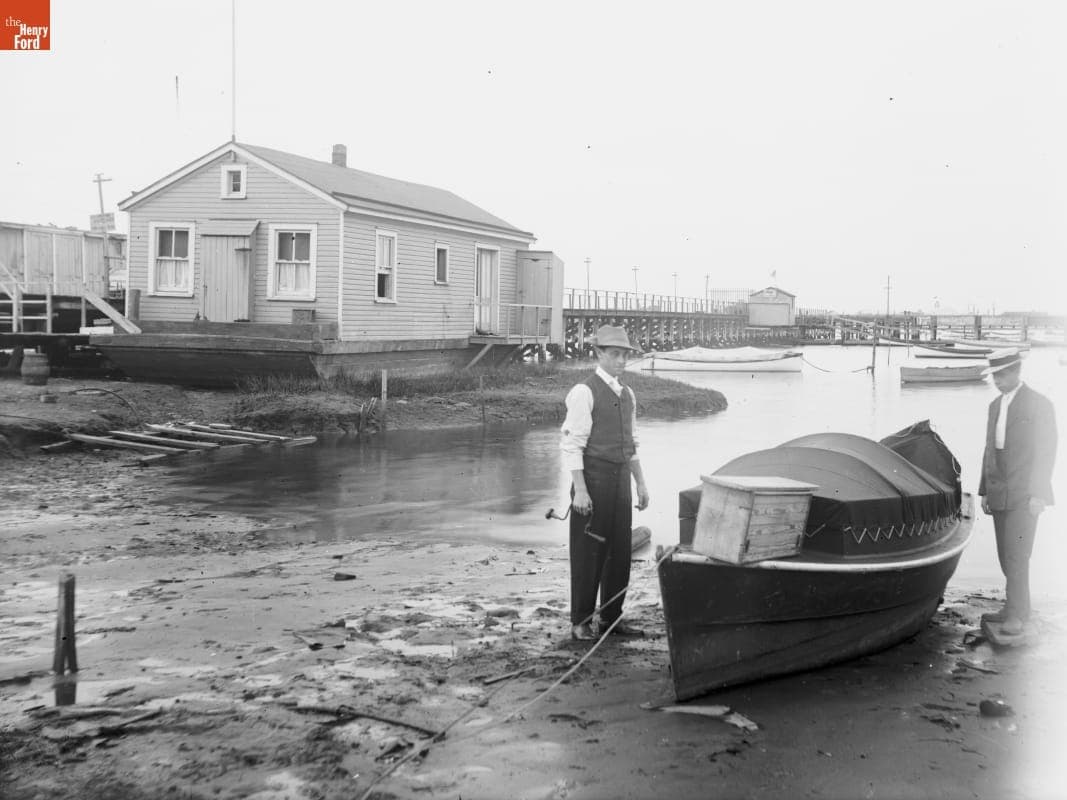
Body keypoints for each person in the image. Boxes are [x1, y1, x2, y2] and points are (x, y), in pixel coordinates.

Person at [560, 324, 650, 641]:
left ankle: (612, 619)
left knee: (620, 552)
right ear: (599, 354)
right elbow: (572, 445)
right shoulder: (584, 392)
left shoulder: (628, 395)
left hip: (621, 480)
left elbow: (632, 443)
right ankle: (581, 622)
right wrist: (580, 491)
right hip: (593, 479)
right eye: (614, 355)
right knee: (589, 552)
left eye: (625, 355)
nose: (621, 361)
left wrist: (640, 483)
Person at [978, 349, 1057, 635]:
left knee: (1017, 554)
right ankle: (1016, 608)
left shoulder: (1040, 404)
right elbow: (989, 450)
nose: (998, 381)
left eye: (1003, 375)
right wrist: (985, 490)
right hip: (999, 493)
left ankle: (1017, 615)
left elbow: (1046, 453)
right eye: (995, 376)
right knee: (1004, 554)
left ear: (1016, 372)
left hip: (1025, 495)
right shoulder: (994, 406)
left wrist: (1039, 494)